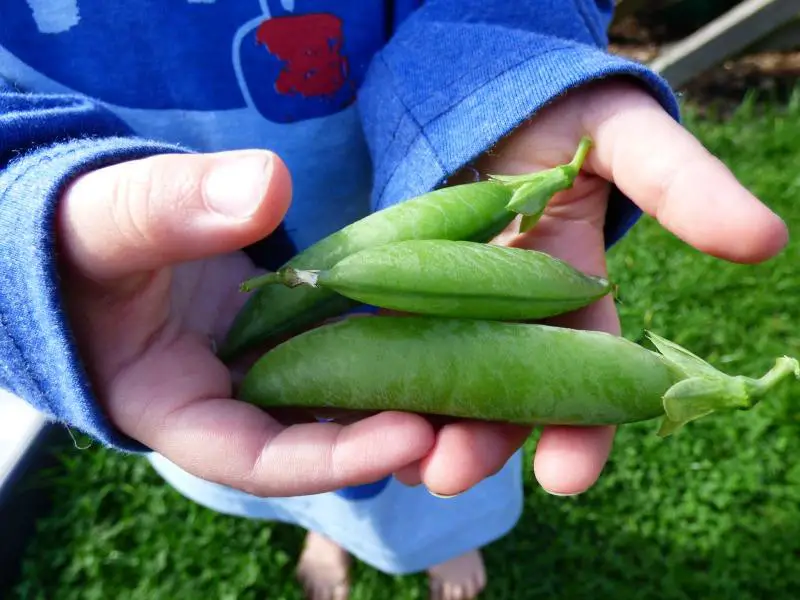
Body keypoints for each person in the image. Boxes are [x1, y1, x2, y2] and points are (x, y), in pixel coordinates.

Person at [0, 2, 787, 599]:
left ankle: (440, 541)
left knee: (430, 454)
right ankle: (329, 534)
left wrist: (501, 85)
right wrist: (29, 231)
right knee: (268, 437)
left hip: (396, 188)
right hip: (168, 312)